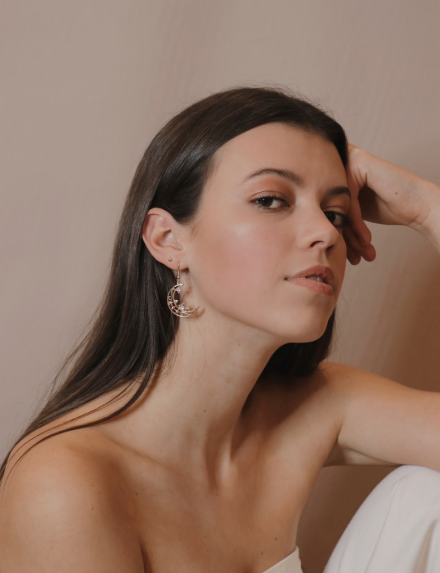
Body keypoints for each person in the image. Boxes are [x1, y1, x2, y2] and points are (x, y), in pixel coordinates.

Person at [0, 85, 439, 573]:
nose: (326, 233)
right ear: (168, 240)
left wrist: (426, 207)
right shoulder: (65, 486)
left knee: (429, 499)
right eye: (271, 200)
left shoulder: (318, 405)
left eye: (335, 213)